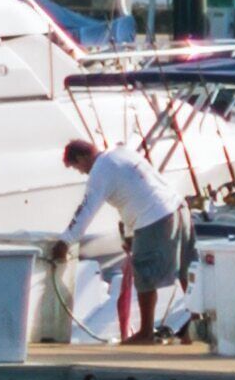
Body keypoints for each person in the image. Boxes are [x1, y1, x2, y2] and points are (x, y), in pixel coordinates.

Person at [51, 137, 184, 341]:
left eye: (77, 167)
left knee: (144, 274)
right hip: (178, 209)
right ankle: (200, 323)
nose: (82, 172)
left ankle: (146, 333)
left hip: (154, 217)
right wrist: (130, 234)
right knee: (186, 269)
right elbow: (135, 193)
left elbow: (86, 209)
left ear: (81, 157)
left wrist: (65, 241)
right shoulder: (121, 152)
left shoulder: (101, 170)